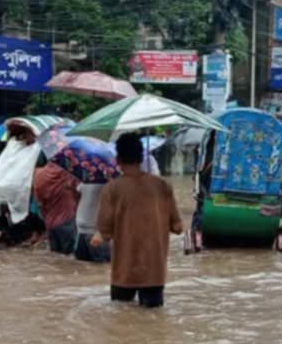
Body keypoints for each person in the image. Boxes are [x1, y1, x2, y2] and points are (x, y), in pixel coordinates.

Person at [93, 132, 183, 308]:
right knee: (154, 322)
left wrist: (97, 236)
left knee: (120, 321)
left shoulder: (111, 189)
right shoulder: (163, 185)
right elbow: (178, 227)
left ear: (117, 159)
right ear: (142, 157)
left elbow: (104, 232)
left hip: (124, 272)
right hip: (154, 271)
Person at [32, 158, 80, 255]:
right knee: (69, 261)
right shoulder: (67, 174)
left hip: (49, 223)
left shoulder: (38, 173)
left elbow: (39, 202)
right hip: (67, 220)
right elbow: (78, 191)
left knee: (55, 258)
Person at [74, 183, 110, 263]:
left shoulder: (112, 182)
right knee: (81, 267)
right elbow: (77, 195)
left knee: (100, 267)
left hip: (97, 232)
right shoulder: (87, 180)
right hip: (81, 230)